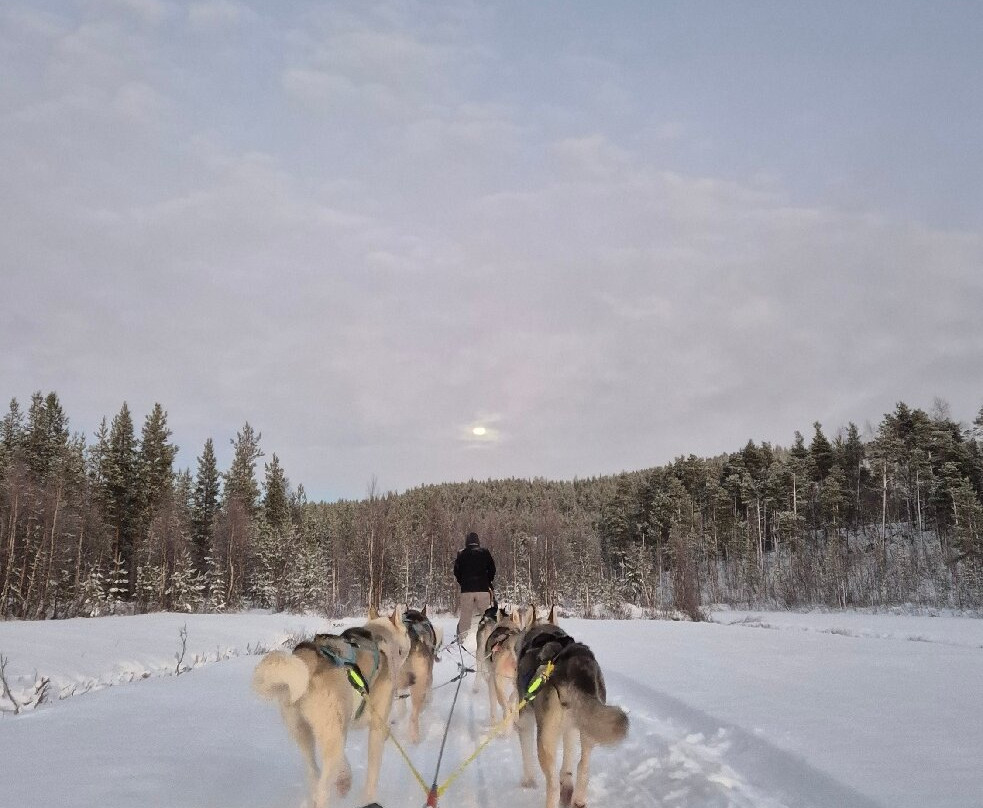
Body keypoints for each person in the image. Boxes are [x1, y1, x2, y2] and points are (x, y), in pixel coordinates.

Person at [453, 531, 496, 642]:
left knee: (465, 616)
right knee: (486, 615)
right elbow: (492, 569)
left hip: (467, 590)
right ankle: (489, 639)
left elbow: (456, 571)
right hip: (482, 589)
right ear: (478, 541)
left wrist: (463, 582)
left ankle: (462, 639)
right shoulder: (484, 552)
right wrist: (488, 581)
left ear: (467, 541)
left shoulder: (461, 554)